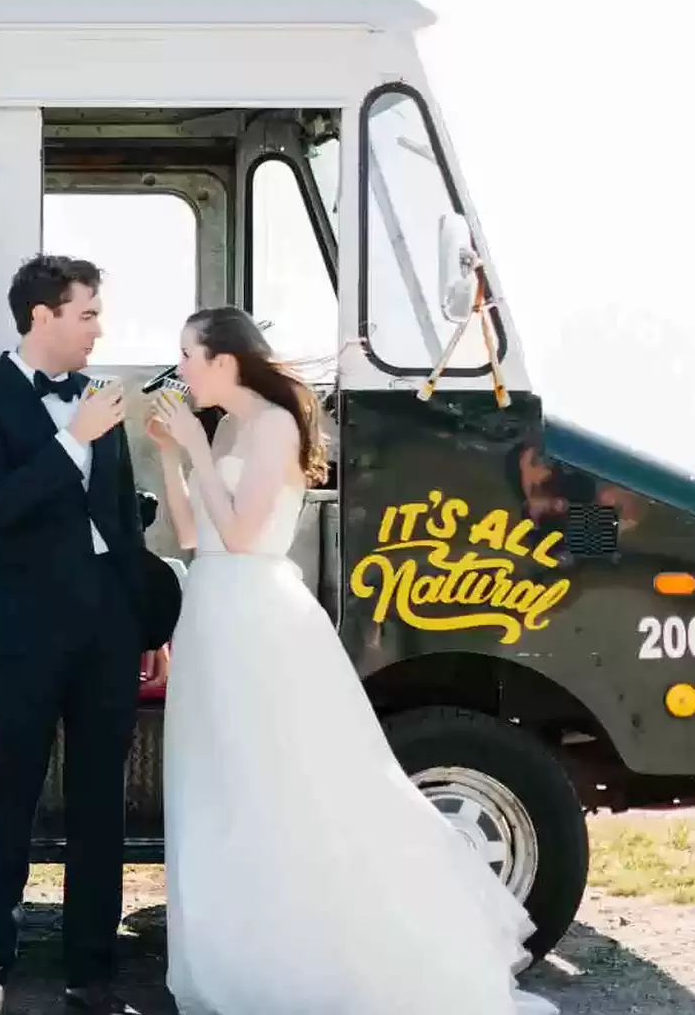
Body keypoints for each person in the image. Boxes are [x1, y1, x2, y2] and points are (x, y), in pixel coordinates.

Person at [145, 305, 560, 1015]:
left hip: (254, 616)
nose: (180, 370)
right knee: (222, 788)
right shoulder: (229, 428)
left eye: (188, 355)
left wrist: (196, 447)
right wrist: (171, 454)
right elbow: (192, 535)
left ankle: (321, 954)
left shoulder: (274, 425)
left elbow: (245, 536)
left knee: (283, 784)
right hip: (214, 612)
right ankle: (245, 950)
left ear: (224, 361)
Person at [0, 254, 169, 1015]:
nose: (99, 330)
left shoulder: (100, 401)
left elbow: (118, 525)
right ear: (42, 316)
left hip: (107, 630)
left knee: (101, 807)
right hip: (26, 634)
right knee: (10, 803)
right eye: (88, 314)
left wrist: (145, 622)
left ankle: (90, 976)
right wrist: (71, 440)